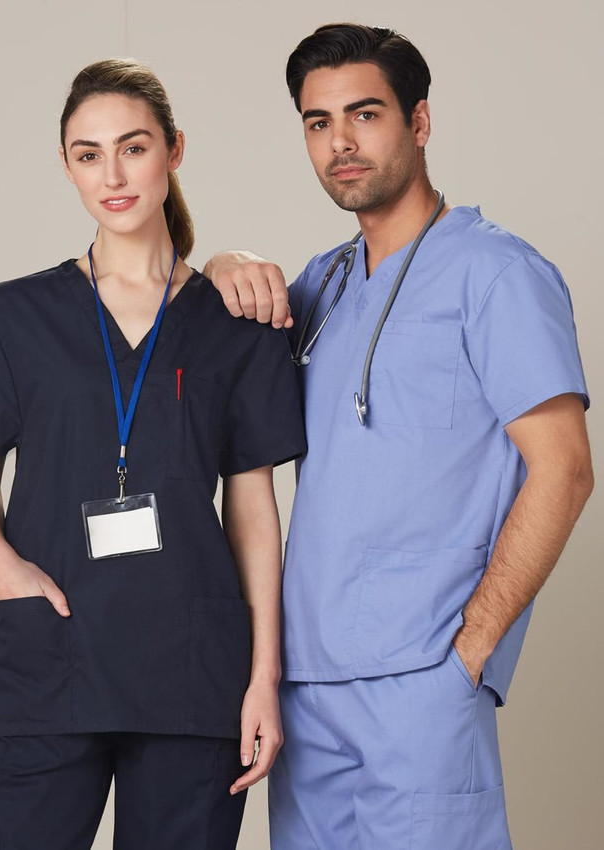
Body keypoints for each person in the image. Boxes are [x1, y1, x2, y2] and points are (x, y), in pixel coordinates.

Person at [205, 24, 594, 850]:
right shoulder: (324, 282)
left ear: (418, 122)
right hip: (305, 687)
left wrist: (472, 650)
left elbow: (563, 472)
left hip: (421, 681)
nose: (340, 143)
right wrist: (221, 262)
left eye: (365, 115)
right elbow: (222, 343)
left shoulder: (497, 274)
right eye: (317, 122)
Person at [0, 58, 305, 850]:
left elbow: (252, 511)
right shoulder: (14, 315)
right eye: (87, 153)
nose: (113, 173)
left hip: (192, 674)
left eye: (134, 148)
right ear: (65, 165)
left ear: (174, 150)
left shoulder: (236, 319)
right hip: (46, 663)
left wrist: (263, 678)